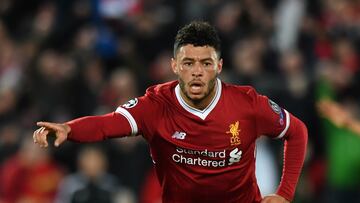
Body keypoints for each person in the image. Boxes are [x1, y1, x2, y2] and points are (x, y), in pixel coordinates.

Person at [33, 21, 307, 203]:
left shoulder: (247, 104)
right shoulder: (156, 105)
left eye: (206, 63)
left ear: (219, 66)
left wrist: (284, 193)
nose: (197, 71)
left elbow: (297, 132)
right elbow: (109, 124)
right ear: (174, 65)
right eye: (188, 63)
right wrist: (69, 129)